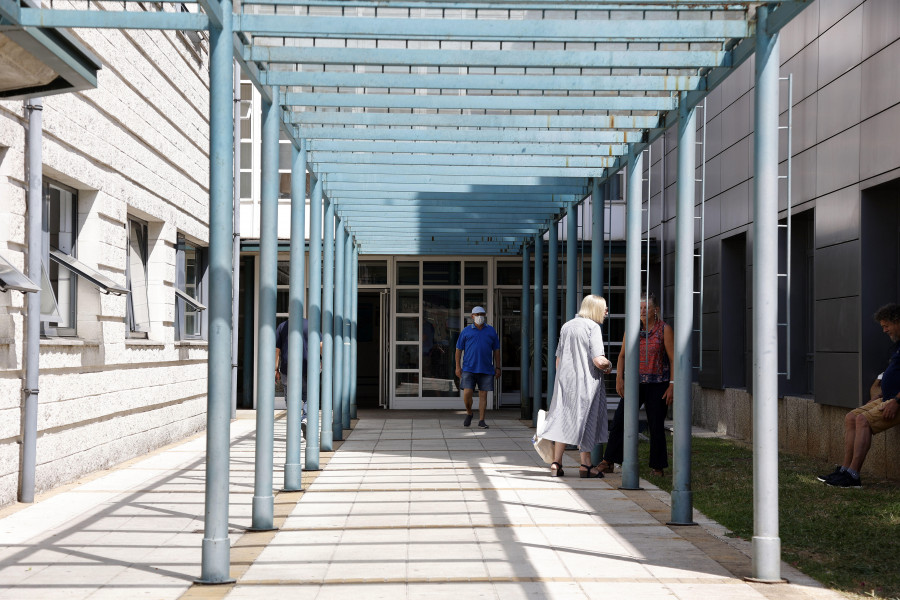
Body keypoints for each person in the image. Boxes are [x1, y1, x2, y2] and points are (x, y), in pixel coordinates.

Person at [818, 303, 900, 488]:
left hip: (896, 401)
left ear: (897, 321)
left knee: (863, 420)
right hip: (888, 397)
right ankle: (845, 470)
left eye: (886, 325)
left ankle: (854, 475)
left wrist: (896, 401)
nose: (885, 330)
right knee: (851, 417)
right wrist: (883, 394)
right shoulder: (897, 346)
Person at [597, 292, 674, 477]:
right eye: (640, 307)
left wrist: (672, 384)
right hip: (634, 384)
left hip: (658, 384)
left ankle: (658, 466)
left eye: (646, 307)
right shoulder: (632, 329)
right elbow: (622, 355)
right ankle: (609, 461)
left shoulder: (665, 330)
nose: (642, 311)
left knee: (655, 425)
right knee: (620, 421)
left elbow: (673, 359)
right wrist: (619, 377)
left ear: (656, 310)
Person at [540, 295, 613, 478]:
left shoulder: (567, 325)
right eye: (604, 308)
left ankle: (556, 463)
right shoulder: (593, 327)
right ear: (594, 308)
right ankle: (586, 465)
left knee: (563, 420)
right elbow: (598, 360)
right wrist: (610, 366)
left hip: (565, 382)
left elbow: (558, 359)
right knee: (586, 421)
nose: (606, 311)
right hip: (586, 382)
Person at [455, 306, 501, 429]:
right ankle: (469, 412)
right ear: (472, 316)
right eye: (477, 314)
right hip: (469, 368)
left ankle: (481, 420)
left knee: (483, 395)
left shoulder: (491, 331)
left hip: (486, 369)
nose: (480, 316)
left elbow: (496, 350)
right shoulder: (466, 331)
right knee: (467, 394)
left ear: (485, 315)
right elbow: (458, 350)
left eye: (482, 314)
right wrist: (457, 367)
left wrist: (498, 367)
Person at [275, 317, 309, 438]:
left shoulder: (282, 326)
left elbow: (276, 350)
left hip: (286, 368)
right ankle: (305, 419)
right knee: (308, 396)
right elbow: (321, 345)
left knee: (290, 399)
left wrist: (275, 369)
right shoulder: (309, 325)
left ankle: (294, 426)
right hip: (306, 367)